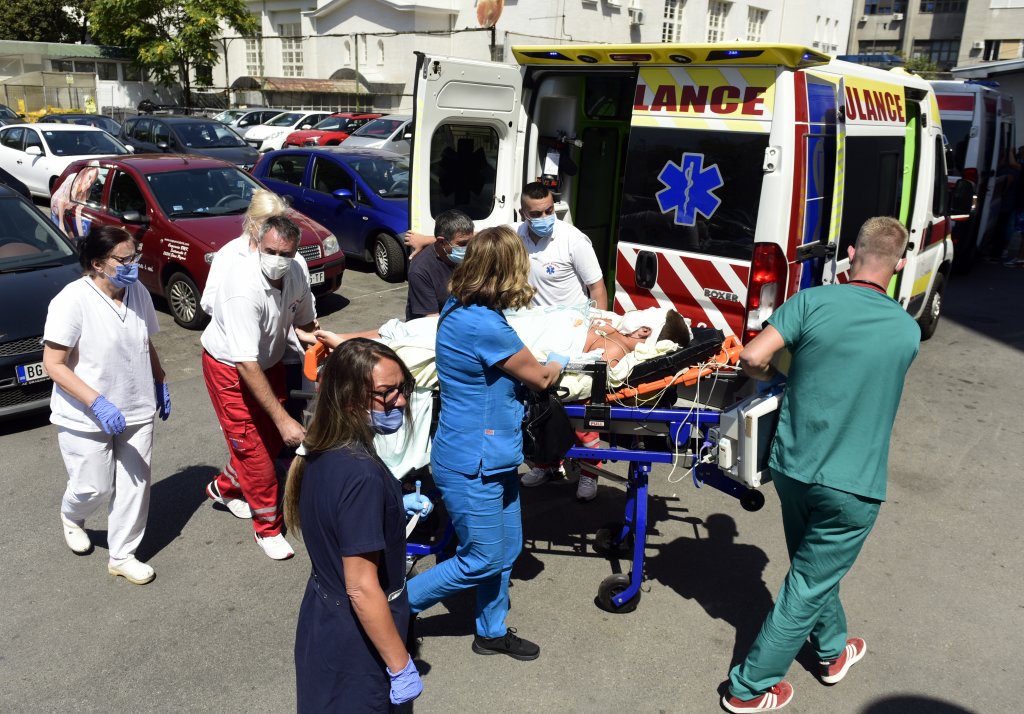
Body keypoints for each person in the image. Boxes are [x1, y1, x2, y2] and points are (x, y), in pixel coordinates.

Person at [720, 216, 920, 713]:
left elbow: (752, 357)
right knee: (808, 581)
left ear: (851, 253)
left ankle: (833, 651)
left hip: (794, 467)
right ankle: (748, 688)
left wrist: (781, 371)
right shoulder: (907, 329)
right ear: (897, 267)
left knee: (812, 570)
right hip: (853, 483)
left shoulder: (811, 302)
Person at [406, 225, 568, 660]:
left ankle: (491, 631)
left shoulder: (464, 306)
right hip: (472, 462)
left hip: (492, 455)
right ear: (507, 271)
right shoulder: (481, 323)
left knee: (506, 550)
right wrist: (560, 358)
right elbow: (541, 378)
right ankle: (394, 608)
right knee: (481, 557)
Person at [285, 338, 429, 713]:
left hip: (324, 620)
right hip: (356, 641)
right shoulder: (361, 475)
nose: (401, 400)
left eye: (403, 387)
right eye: (387, 392)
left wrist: (391, 506)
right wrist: (400, 665)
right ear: (349, 400)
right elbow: (362, 588)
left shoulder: (322, 448)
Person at [42, 225, 170, 585]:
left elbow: (144, 339)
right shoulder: (72, 300)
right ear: (98, 263)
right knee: (93, 487)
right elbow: (53, 364)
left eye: (135, 256)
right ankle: (72, 516)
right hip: (85, 414)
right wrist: (97, 402)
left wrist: (160, 379)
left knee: (135, 485)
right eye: (124, 259)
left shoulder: (137, 291)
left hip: (137, 404)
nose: (133, 265)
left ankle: (122, 554)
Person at [200, 214, 316, 560]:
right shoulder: (242, 287)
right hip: (232, 369)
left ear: (295, 251)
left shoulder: (296, 271)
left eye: (286, 253)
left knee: (267, 440)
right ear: (258, 245)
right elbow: (245, 364)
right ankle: (267, 528)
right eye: (271, 251)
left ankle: (224, 487)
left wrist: (324, 348)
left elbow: (305, 323)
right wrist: (283, 419)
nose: (278, 259)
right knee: (256, 453)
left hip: (269, 361)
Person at [200, 189, 316, 432]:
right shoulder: (231, 257)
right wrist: (246, 314)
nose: (275, 227)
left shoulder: (295, 264)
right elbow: (209, 301)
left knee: (279, 425)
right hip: (239, 357)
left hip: (277, 355)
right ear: (253, 223)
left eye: (280, 220)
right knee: (250, 433)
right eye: (268, 221)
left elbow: (304, 313)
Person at [405, 209, 474, 321]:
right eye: (462, 244)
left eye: (471, 242)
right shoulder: (420, 271)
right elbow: (432, 320)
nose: (468, 248)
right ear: (442, 242)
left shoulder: (469, 256)